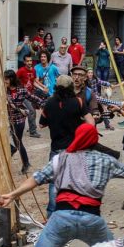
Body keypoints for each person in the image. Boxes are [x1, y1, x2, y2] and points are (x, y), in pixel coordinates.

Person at [39, 75, 95, 216]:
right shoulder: (78, 102)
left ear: (56, 88)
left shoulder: (49, 103)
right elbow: (91, 123)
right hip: (75, 149)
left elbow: (41, 124)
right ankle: (74, 211)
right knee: (76, 180)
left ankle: (52, 214)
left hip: (56, 148)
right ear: (71, 87)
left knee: (54, 183)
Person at [3, 69, 39, 174]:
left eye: (6, 79)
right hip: (9, 119)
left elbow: (32, 97)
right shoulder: (4, 91)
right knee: (11, 140)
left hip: (19, 120)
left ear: (12, 79)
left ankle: (26, 163)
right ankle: (14, 151)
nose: (4, 81)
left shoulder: (21, 90)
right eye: (4, 79)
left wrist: (44, 103)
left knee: (18, 142)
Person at [17, 55, 47, 138]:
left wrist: (42, 88)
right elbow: (15, 81)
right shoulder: (21, 71)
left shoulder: (33, 70)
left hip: (30, 94)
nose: (29, 63)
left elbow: (33, 82)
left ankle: (30, 129)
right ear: (24, 62)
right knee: (31, 111)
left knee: (31, 111)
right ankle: (33, 131)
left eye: (30, 61)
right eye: (27, 61)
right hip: (22, 95)